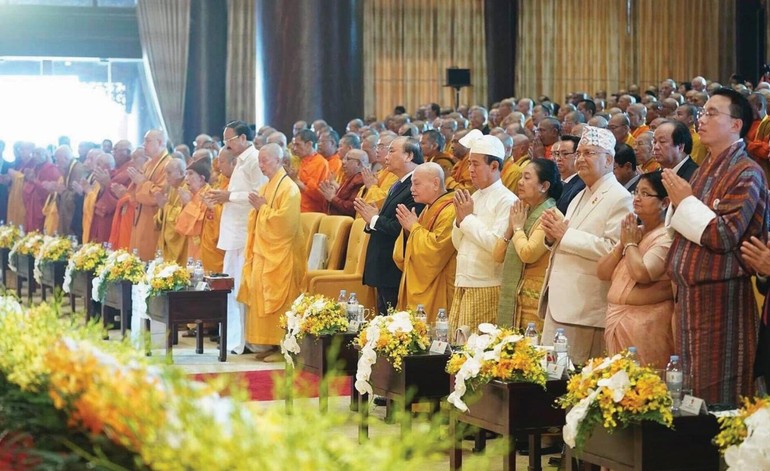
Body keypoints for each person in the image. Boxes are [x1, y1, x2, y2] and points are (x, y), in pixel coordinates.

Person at [663, 88, 769, 405]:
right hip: (690, 295)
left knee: (718, 392)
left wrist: (684, 202)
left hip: (723, 297)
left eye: (712, 113)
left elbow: (724, 235)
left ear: (736, 124)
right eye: (702, 112)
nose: (702, 119)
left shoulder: (746, 171)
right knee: (690, 389)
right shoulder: (705, 168)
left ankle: (716, 455)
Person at [539, 126, 633, 364]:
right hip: (561, 303)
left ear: (609, 159)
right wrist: (551, 236)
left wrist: (564, 234)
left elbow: (614, 249)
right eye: (579, 153)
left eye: (590, 153)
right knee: (549, 378)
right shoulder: (581, 193)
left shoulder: (619, 197)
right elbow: (564, 239)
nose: (581, 159)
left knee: (573, 381)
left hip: (585, 309)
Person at [597, 172, 674, 369]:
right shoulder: (635, 232)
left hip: (647, 326)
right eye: (636, 192)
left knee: (643, 390)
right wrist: (622, 245)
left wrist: (630, 244)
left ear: (664, 202)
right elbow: (603, 273)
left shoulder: (665, 237)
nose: (637, 198)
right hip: (618, 320)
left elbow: (642, 274)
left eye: (646, 193)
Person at [238, 143, 306, 362]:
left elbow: (284, 225)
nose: (261, 165)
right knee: (259, 291)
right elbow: (258, 216)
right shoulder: (268, 186)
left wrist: (263, 209)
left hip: (282, 254)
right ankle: (270, 343)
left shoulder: (289, 189)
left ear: (279, 160)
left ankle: (283, 346)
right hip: (264, 250)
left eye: (265, 160)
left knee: (277, 297)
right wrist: (260, 209)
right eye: (259, 160)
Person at [206, 120, 267, 355]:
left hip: (244, 233)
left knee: (239, 288)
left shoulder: (253, 159)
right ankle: (233, 339)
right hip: (234, 233)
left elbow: (258, 193)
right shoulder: (242, 161)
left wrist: (228, 196)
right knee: (230, 287)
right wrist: (224, 196)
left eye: (229, 139)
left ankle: (242, 340)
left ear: (243, 138)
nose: (226, 144)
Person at [450, 130, 518, 332]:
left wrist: (467, 219)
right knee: (456, 344)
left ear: (494, 166)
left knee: (473, 347)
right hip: (463, 280)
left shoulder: (507, 200)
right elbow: (458, 243)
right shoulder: (475, 196)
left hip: (486, 284)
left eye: (475, 164)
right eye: (469, 163)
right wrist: (460, 220)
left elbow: (496, 246)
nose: (469, 169)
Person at [355, 136, 425, 315]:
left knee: (394, 325)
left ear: (409, 156)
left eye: (392, 150)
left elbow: (405, 227)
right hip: (383, 266)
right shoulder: (398, 183)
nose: (386, 155)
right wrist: (371, 220)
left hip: (394, 267)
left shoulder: (416, 185)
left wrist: (374, 219)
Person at [494, 158, 562, 330]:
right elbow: (497, 255)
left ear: (544, 186)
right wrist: (511, 229)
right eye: (521, 177)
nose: (520, 182)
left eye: (527, 178)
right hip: (518, 294)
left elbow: (528, 253)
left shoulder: (551, 215)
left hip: (536, 296)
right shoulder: (523, 211)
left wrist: (517, 228)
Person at [392, 162, 456, 323]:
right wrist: (408, 230)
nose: (411, 189)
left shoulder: (450, 210)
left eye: (416, 183)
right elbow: (406, 252)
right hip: (423, 282)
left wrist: (413, 227)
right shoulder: (429, 208)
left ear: (435, 183)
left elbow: (436, 251)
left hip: (438, 285)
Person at [128, 129, 171, 260]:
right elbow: (135, 193)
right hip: (141, 220)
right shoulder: (148, 164)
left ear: (160, 142)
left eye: (147, 141)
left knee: (150, 262)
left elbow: (159, 196)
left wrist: (142, 182)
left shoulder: (168, 164)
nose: (144, 144)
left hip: (154, 222)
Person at [154, 158, 188, 265]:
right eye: (165, 173)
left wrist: (165, 206)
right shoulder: (172, 188)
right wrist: (163, 208)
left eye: (169, 173)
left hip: (180, 242)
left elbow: (185, 215)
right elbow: (164, 211)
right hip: (167, 240)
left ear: (182, 173)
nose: (166, 176)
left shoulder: (186, 188)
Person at [288, 129, 329, 212]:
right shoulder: (298, 161)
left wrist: (295, 180)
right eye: (294, 145)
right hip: (295, 209)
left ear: (309, 144)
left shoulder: (320, 163)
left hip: (311, 212)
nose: (294, 149)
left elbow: (318, 194)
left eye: (298, 145)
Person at [319, 149, 367, 217]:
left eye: (348, 159)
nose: (343, 162)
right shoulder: (350, 178)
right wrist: (332, 195)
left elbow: (352, 208)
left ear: (358, 163)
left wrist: (332, 198)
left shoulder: (360, 180)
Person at [23, 148, 61, 233]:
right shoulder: (36, 168)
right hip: (33, 205)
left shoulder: (51, 169)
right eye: (34, 153)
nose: (35, 156)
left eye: (38, 153)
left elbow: (50, 191)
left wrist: (34, 180)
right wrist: (28, 178)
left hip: (43, 206)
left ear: (45, 155)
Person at [84, 152, 117, 244]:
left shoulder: (114, 178)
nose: (95, 167)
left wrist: (89, 192)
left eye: (99, 164)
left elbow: (112, 203)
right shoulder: (96, 180)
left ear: (109, 167)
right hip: (95, 219)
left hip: (107, 220)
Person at [554, 135, 585, 215]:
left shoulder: (581, 186)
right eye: (557, 154)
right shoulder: (553, 180)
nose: (558, 159)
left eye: (565, 154)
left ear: (577, 156)